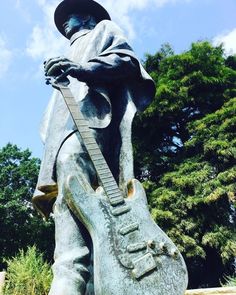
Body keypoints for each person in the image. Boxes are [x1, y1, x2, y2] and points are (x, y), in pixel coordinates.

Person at [32, 0, 155, 294]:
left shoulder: (103, 30)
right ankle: (84, 280)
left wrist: (81, 69)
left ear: (86, 16)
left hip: (92, 125)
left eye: (70, 17)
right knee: (70, 199)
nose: (64, 23)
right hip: (64, 131)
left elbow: (126, 61)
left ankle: (69, 277)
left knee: (75, 185)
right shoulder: (67, 52)